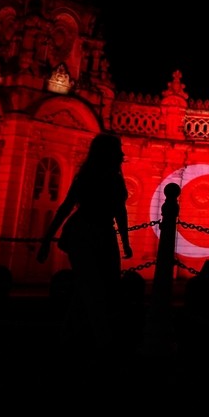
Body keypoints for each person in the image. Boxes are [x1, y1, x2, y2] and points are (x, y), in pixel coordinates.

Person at [37, 132, 132, 352]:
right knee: (96, 289)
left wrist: (47, 240)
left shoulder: (91, 177)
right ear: (109, 154)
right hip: (92, 235)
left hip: (89, 234)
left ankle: (70, 338)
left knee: (88, 288)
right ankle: (102, 341)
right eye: (118, 150)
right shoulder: (108, 179)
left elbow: (67, 208)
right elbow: (119, 211)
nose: (122, 154)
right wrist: (124, 242)